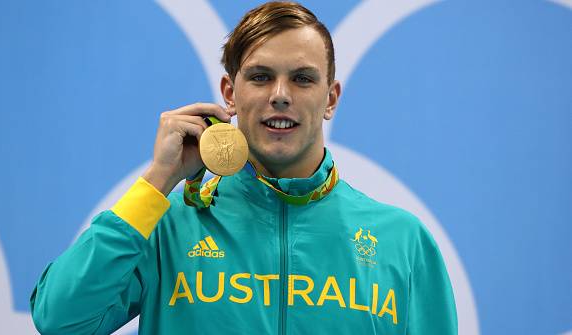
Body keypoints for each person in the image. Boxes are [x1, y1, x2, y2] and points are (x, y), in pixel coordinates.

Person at [30, 2, 457, 334]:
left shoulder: (403, 242)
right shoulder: (168, 227)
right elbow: (61, 319)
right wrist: (158, 180)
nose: (280, 95)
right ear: (229, 94)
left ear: (331, 98)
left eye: (303, 79)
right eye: (260, 77)